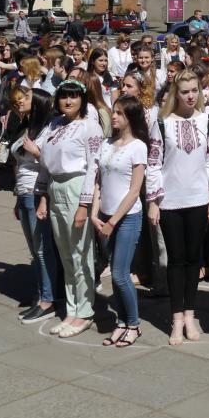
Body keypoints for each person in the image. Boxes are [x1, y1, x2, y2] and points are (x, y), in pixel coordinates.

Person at [146, 70, 209, 345]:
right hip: (170, 201)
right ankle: (176, 317)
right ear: (175, 93)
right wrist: (153, 202)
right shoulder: (162, 122)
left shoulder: (207, 120)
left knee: (193, 260)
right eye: (185, 91)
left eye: (194, 90)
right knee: (175, 261)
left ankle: (190, 314)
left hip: (199, 200)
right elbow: (153, 163)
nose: (190, 96)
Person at [34, 79, 104, 339]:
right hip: (55, 186)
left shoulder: (90, 126)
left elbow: (94, 166)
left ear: (82, 99)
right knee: (64, 251)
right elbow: (44, 161)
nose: (68, 101)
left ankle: (84, 311)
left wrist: (84, 204)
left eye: (74, 96)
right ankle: (72, 309)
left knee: (80, 251)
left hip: (76, 186)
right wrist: (43, 195)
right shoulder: (55, 124)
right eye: (64, 96)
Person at [88, 96, 148, 348]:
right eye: (114, 112)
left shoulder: (138, 147)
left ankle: (133, 324)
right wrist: (94, 213)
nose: (114, 116)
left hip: (127, 218)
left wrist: (112, 221)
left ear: (130, 118)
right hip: (104, 217)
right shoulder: (106, 144)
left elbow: (134, 191)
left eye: (120, 113)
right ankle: (121, 322)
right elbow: (98, 182)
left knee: (121, 274)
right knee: (114, 274)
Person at [7, 84, 57, 324]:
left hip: (36, 192)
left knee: (42, 249)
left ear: (37, 103)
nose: (21, 100)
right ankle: (41, 293)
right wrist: (17, 196)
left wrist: (37, 152)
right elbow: (18, 164)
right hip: (24, 192)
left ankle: (48, 300)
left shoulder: (48, 129)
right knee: (35, 249)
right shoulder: (25, 126)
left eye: (26, 97)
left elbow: (53, 163)